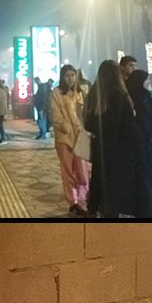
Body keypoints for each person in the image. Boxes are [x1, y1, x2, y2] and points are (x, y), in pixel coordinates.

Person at [84, 59, 152, 218]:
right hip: (119, 148)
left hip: (100, 146)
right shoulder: (119, 95)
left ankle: (94, 209)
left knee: (98, 179)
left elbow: (87, 124)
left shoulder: (93, 94)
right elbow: (127, 123)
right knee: (116, 184)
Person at [50, 64, 91, 216]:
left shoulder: (81, 92)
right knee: (68, 170)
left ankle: (84, 199)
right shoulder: (56, 93)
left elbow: (87, 111)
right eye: (67, 75)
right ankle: (73, 201)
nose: (70, 78)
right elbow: (55, 115)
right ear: (62, 77)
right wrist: (65, 126)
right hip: (64, 138)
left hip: (80, 137)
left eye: (73, 75)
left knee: (83, 170)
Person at [126, 69, 152, 210]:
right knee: (145, 170)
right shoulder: (135, 97)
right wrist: (148, 134)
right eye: (146, 80)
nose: (148, 82)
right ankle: (147, 199)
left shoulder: (146, 95)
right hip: (142, 140)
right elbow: (140, 119)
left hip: (150, 139)